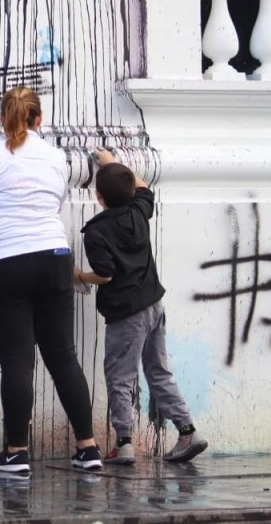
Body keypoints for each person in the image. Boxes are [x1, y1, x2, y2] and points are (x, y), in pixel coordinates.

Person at [0, 85, 102, 475]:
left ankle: (16, 452)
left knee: (17, 360)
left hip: (4, 262)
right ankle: (87, 447)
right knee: (63, 355)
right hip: (53, 256)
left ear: (3, 117)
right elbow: (56, 202)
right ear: (39, 118)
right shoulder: (55, 157)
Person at [75, 149, 208, 464]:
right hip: (154, 306)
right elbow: (144, 186)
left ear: (98, 196)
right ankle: (188, 431)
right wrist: (111, 163)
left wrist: (77, 275)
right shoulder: (139, 211)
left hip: (125, 315)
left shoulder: (96, 231)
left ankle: (124, 443)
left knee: (121, 376)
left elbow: (104, 275)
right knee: (158, 371)